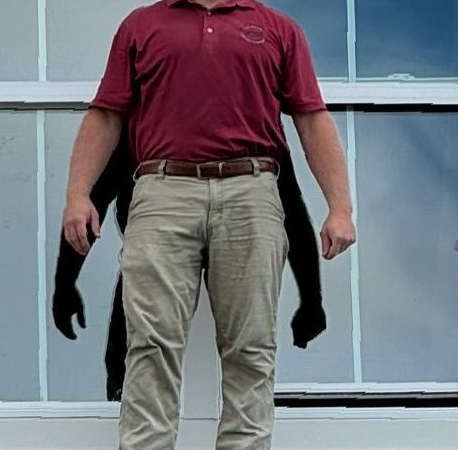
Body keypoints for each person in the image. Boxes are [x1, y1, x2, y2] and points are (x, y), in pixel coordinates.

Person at [61, 0, 357, 450]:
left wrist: (339, 206)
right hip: (162, 192)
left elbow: (311, 116)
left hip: (253, 192)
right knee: (151, 345)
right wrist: (78, 193)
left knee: (250, 348)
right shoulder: (143, 27)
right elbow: (107, 113)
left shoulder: (277, 29)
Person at [51, 127, 329, 401]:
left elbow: (291, 213)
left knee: (245, 356)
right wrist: (65, 282)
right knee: (138, 355)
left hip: (229, 241)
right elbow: (94, 203)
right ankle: (124, 399)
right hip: (157, 248)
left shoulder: (250, 127)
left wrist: (311, 299)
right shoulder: (147, 128)